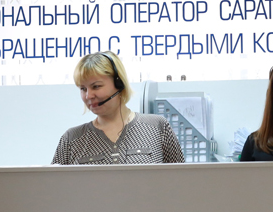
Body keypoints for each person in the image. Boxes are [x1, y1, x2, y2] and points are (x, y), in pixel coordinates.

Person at [52, 52, 184, 165]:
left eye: (96, 86)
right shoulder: (72, 139)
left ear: (119, 84)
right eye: (83, 89)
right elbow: (52, 184)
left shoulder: (157, 127)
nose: (88, 96)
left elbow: (183, 180)